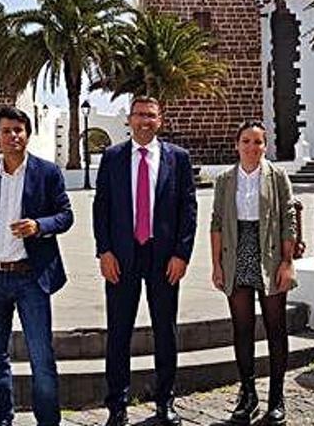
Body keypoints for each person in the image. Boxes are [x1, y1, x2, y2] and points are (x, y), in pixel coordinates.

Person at [0, 106, 74, 426]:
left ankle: (49, 421)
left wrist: (39, 225)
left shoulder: (47, 173)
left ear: (28, 134)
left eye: (19, 130)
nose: (13, 136)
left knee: (41, 358)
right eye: (7, 131)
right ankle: (1, 420)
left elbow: (66, 216)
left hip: (32, 278)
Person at [93, 96, 198, 426]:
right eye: (139, 115)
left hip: (163, 257)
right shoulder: (112, 157)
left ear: (160, 120)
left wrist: (182, 254)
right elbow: (102, 208)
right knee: (119, 332)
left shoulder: (177, 158)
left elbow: (188, 210)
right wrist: (104, 251)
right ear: (130, 119)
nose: (144, 121)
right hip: (121, 257)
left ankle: (165, 402)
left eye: (151, 115)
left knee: (165, 331)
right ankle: (117, 405)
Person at [210, 121, 297, 425]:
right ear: (237, 144)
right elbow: (217, 222)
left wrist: (287, 262)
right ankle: (247, 395)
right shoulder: (225, 179)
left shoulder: (277, 176)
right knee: (242, 329)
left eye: (258, 142)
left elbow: (289, 218)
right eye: (246, 141)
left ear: (265, 145)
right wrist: (217, 265)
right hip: (236, 253)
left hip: (270, 254)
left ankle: (277, 397)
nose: (252, 147)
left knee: (275, 327)